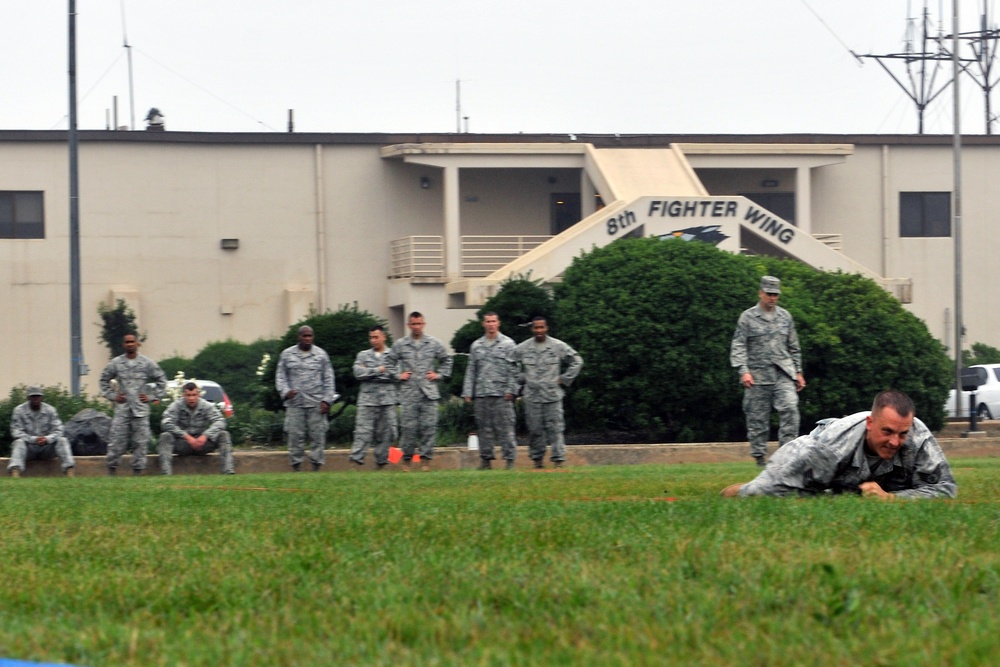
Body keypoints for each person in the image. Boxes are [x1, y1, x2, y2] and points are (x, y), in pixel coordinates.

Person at [721, 390, 957, 499]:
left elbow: (945, 489)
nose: (895, 441)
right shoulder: (829, 447)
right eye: (887, 432)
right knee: (760, 493)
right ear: (870, 423)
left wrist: (892, 499)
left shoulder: (919, 438)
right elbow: (777, 484)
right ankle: (736, 489)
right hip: (819, 458)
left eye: (902, 433)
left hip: (875, 484)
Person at [730, 275, 806, 466]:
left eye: (776, 294)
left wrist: (798, 371)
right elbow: (739, 345)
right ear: (761, 293)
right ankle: (759, 458)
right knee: (757, 419)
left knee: (790, 408)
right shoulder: (747, 317)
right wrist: (743, 371)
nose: (773, 298)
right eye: (769, 294)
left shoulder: (785, 317)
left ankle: (786, 456)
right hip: (757, 376)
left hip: (783, 374)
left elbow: (794, 346)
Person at [511, 316, 583, 469]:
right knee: (535, 429)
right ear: (532, 329)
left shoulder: (557, 346)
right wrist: (521, 378)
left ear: (546, 328)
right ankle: (537, 460)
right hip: (532, 396)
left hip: (552, 395)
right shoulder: (523, 347)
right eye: (536, 328)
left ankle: (558, 460)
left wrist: (564, 378)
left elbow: (577, 360)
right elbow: (509, 361)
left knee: (555, 429)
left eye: (541, 327)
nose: (539, 331)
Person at [391, 312, 452, 471]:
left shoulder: (433, 343)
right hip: (409, 393)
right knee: (408, 428)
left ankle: (425, 460)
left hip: (428, 393)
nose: (416, 327)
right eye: (413, 324)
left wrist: (439, 375)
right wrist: (398, 375)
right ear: (408, 325)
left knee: (428, 427)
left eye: (419, 324)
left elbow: (447, 359)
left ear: (423, 324)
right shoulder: (401, 344)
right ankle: (406, 460)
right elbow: (388, 362)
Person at [100, 333, 168, 475]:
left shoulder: (147, 363)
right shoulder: (116, 363)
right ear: (123, 345)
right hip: (123, 409)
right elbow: (103, 380)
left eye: (132, 342)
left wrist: (151, 396)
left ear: (137, 344)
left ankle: (137, 471)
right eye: (127, 342)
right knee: (116, 441)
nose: (130, 344)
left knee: (140, 443)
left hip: (140, 410)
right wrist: (113, 396)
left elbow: (162, 381)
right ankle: (112, 470)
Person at [462, 311, 519, 470]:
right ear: (483, 324)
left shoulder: (508, 344)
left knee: (506, 429)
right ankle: (486, 460)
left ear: (498, 323)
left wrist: (511, 390)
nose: (491, 324)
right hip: (482, 393)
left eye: (493, 321)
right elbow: (471, 369)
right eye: (488, 321)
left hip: (502, 394)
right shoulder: (476, 345)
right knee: (483, 429)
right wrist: (468, 391)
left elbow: (514, 370)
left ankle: (509, 460)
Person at [276, 325, 337, 471]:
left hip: (316, 403)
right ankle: (296, 466)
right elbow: (280, 376)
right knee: (295, 436)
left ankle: (316, 466)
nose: (307, 339)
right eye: (305, 336)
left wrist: (327, 400)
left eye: (310, 336)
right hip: (295, 403)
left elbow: (329, 378)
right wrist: (285, 392)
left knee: (317, 436)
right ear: (299, 337)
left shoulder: (321, 355)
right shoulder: (287, 355)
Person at [158, 381, 235, 475]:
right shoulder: (176, 406)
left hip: (202, 443)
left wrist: (206, 435)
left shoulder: (206, 405)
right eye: (188, 395)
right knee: (165, 436)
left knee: (224, 434)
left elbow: (220, 421)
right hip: (183, 443)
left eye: (194, 395)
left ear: (198, 395)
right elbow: (166, 423)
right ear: (183, 395)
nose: (191, 398)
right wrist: (186, 436)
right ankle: (165, 473)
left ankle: (228, 471)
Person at [350, 325, 398, 468]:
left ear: (384, 337)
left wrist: (370, 373)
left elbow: (396, 374)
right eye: (371, 337)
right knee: (362, 433)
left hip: (387, 401)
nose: (373, 340)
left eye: (376, 337)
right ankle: (356, 463)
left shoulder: (393, 355)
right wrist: (379, 370)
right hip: (367, 401)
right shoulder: (363, 355)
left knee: (388, 433)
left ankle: (382, 464)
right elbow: (358, 373)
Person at [7, 386, 75, 477]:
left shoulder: (50, 410)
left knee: (62, 440)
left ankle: (69, 470)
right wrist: (34, 439)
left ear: (42, 397)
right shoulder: (19, 411)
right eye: (33, 396)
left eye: (38, 396)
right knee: (18, 442)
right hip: (28, 449)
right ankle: (15, 471)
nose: (35, 399)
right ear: (28, 397)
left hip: (47, 448)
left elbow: (59, 430)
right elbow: (16, 432)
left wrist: (47, 439)